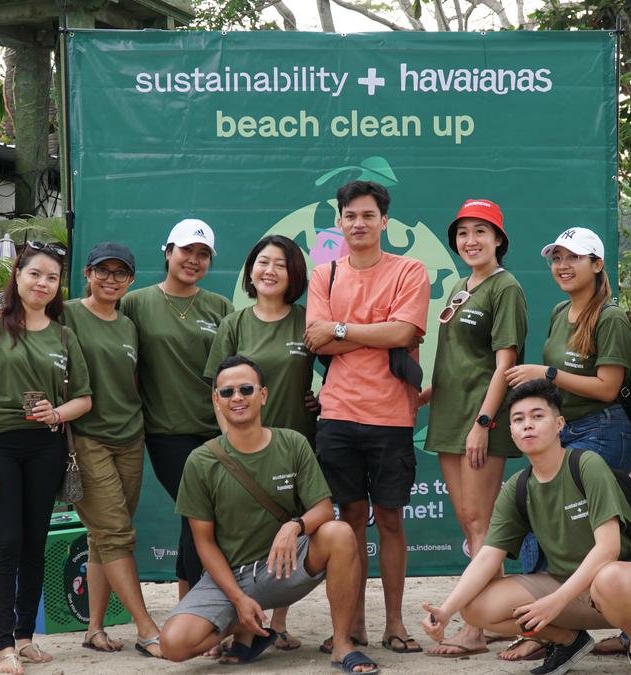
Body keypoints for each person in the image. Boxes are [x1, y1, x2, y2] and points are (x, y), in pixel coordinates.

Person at [420, 378, 631, 675]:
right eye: (518, 419)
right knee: (474, 607)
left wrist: (554, 603)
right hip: (565, 587)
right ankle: (568, 641)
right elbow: (487, 557)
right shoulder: (518, 487)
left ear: (559, 423)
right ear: (510, 431)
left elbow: (609, 548)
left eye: (538, 416)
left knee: (613, 577)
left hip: (625, 585)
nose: (528, 425)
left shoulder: (587, 465)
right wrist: (446, 611)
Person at [160, 356, 379, 674]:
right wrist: (237, 598)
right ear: (216, 401)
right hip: (231, 577)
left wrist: (295, 526)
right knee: (173, 645)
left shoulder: (293, 443)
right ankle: (244, 626)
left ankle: (343, 645)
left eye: (246, 389)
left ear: (262, 395)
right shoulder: (200, 461)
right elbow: (203, 543)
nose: (237, 398)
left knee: (341, 532)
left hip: (286, 566)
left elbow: (322, 507)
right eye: (227, 392)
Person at [0, 241, 93, 675]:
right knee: (8, 542)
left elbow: (84, 398)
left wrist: (57, 412)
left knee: (34, 543)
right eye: (35, 274)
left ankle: (26, 637)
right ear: (18, 276)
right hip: (0, 446)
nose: (43, 283)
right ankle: (3, 646)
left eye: (51, 277)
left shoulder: (64, 335)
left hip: (46, 447)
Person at [304, 180, 430, 655]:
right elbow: (315, 340)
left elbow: (405, 330)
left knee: (391, 520)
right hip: (337, 414)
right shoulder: (325, 276)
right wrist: (378, 333)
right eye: (350, 216)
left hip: (393, 415)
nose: (358, 223)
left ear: (384, 222)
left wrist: (342, 329)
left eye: (368, 216)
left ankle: (394, 624)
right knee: (349, 519)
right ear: (339, 222)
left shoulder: (410, 269)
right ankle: (351, 623)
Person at [420, 199, 527, 658]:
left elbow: (505, 363)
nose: (471, 241)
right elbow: (460, 357)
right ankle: (494, 618)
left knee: (484, 523)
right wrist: (428, 391)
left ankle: (475, 628)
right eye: (463, 233)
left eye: (481, 231)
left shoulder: (506, 288)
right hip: (447, 415)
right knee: (470, 523)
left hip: (480, 418)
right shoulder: (461, 288)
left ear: (499, 239)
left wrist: (484, 422)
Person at [204, 234, 317, 650]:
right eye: (262, 262)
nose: (269, 271)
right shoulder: (234, 323)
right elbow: (217, 391)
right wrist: (228, 442)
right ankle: (239, 618)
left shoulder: (307, 320)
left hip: (297, 444)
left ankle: (279, 622)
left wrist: (322, 399)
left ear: (293, 276)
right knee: (243, 533)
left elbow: (343, 369)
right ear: (250, 270)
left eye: (280, 265)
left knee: (289, 527)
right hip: (243, 451)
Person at [121, 219, 233, 597]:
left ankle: (189, 602)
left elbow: (233, 373)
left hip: (217, 433)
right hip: (167, 433)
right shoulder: (134, 303)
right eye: (187, 251)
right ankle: (198, 607)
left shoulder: (221, 308)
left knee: (201, 517)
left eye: (203, 255)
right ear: (168, 252)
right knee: (199, 512)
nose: (194, 260)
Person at [61, 242, 162, 657]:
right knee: (117, 533)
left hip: (130, 438)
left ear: (131, 281)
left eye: (121, 273)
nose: (111, 279)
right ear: (87, 273)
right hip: (87, 438)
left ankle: (94, 628)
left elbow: (135, 380)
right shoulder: (66, 313)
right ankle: (147, 628)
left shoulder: (129, 325)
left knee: (104, 536)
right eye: (103, 270)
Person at [506, 227, 631, 474]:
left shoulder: (611, 318)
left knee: (580, 508)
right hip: (562, 429)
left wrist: (548, 374)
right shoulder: (559, 311)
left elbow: (608, 389)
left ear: (597, 265)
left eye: (574, 257)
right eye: (557, 258)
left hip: (603, 430)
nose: (563, 265)